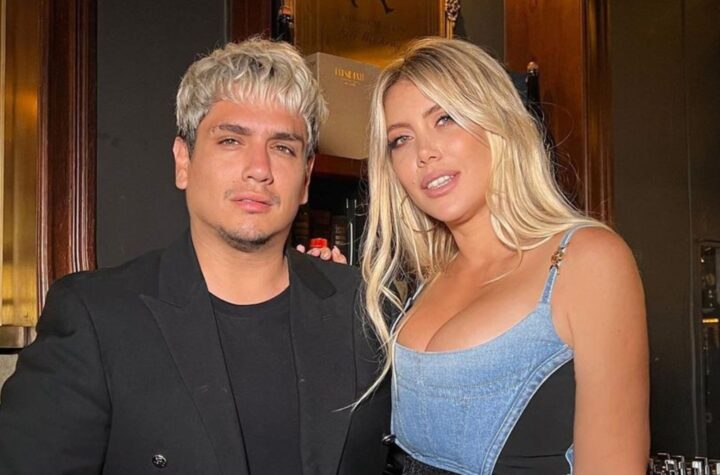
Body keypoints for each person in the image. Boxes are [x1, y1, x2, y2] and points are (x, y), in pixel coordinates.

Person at [0, 38, 390, 475]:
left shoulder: (366, 308)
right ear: (183, 161)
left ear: (306, 178)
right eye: (231, 140)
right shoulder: (97, 317)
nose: (259, 169)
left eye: (283, 147)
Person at [360, 37, 649, 475]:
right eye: (401, 139)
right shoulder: (427, 278)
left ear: (497, 120)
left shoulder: (587, 260)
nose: (424, 153)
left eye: (445, 118)